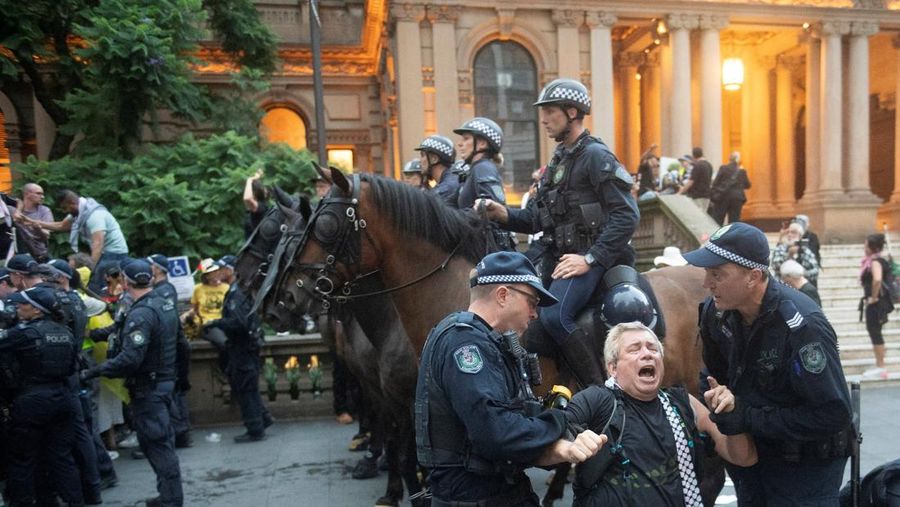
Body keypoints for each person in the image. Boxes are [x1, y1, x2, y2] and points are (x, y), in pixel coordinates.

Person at [478, 78, 640, 387]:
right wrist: (503, 214)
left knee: (553, 317)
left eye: (550, 111)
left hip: (593, 257)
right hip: (556, 255)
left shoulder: (596, 156)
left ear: (572, 112)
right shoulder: (559, 160)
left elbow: (626, 215)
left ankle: (602, 389)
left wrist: (590, 259)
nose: (543, 119)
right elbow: (537, 219)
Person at [415, 251, 607, 506]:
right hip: (476, 497)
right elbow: (496, 431)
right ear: (503, 295)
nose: (535, 314)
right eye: (532, 302)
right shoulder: (466, 345)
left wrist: (559, 444)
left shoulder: (483, 341)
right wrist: (559, 422)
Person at [684, 222, 852, 505]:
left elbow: (833, 414)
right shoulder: (716, 312)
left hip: (805, 472)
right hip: (752, 461)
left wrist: (747, 416)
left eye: (717, 274)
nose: (706, 283)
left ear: (753, 276)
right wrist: (717, 398)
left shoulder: (802, 326)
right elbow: (713, 374)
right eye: (706, 272)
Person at [565, 322, 757, 505]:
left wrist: (730, 415)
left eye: (653, 348)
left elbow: (744, 457)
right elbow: (555, 433)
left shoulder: (684, 404)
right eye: (635, 349)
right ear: (613, 368)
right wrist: (569, 447)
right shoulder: (595, 400)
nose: (647, 354)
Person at [82, 260, 184, 507]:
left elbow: (130, 358)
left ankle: (171, 500)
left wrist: (91, 372)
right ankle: (168, 496)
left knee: (158, 446)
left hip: (148, 389)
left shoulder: (141, 313)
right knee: (160, 443)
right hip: (163, 383)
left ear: (126, 282)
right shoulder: (163, 304)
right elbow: (182, 345)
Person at [0, 286, 85, 506]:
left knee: (22, 460)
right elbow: (74, 366)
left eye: (24, 304)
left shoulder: (25, 333)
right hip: (62, 398)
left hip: (32, 401)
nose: (18, 306)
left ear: (37, 311)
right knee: (62, 458)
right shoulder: (65, 332)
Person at [204, 255, 274, 442]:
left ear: (230, 270)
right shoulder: (240, 290)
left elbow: (239, 323)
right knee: (248, 387)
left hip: (242, 348)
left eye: (221, 268)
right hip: (246, 347)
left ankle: (255, 429)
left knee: (245, 390)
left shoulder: (236, 293)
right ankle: (263, 420)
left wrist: (216, 323)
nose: (217, 272)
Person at [26, 190, 129, 295]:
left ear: (72, 203)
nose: (65, 211)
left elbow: (98, 244)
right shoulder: (80, 212)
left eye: (65, 208)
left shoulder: (94, 215)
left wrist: (90, 268)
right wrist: (32, 222)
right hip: (104, 251)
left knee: (98, 287)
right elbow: (61, 226)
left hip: (113, 254)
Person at [148, 254, 193, 448]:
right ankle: (181, 432)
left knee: (174, 393)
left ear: (157, 269)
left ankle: (181, 432)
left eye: (150, 266)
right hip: (174, 346)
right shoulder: (165, 289)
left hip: (172, 348)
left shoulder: (163, 290)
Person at [454, 118, 515, 250]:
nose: (460, 144)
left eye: (466, 138)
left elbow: (490, 211)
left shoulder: (483, 168)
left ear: (481, 143)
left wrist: (452, 219)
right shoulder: (477, 168)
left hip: (487, 252)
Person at [859, 233, 894, 380]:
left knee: (875, 333)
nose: (864, 247)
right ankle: (880, 365)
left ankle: (881, 366)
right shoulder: (879, 260)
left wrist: (873, 298)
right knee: (876, 333)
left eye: (866, 244)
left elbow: (877, 279)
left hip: (876, 304)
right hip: (879, 303)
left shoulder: (875, 262)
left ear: (871, 247)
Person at [10, 183, 54, 262]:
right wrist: (19, 210)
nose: (42, 197)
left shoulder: (44, 211)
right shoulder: (12, 210)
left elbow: (47, 235)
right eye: (38, 193)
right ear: (27, 194)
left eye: (42, 194)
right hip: (19, 256)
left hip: (39, 255)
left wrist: (38, 228)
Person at [771, 221, 820, 286]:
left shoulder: (805, 250)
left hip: (801, 288)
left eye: (793, 232)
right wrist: (789, 255)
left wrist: (800, 274)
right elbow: (776, 266)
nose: (790, 235)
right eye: (788, 232)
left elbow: (815, 271)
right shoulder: (781, 248)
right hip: (783, 287)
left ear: (800, 236)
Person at [415, 135, 459, 207]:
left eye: (423, 155)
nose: (420, 161)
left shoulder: (445, 189)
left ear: (434, 159)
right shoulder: (449, 181)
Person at [708, 152, 751, 225]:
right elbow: (748, 185)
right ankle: (733, 235)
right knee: (734, 220)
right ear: (738, 160)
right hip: (737, 198)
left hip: (723, 196)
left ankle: (718, 235)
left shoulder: (723, 168)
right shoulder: (742, 171)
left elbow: (716, 182)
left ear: (729, 159)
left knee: (718, 219)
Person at [678, 147, 712, 212]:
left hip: (697, 196)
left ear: (693, 156)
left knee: (696, 217)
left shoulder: (697, 165)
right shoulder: (709, 165)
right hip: (707, 196)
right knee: (703, 215)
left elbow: (691, 181)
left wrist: (680, 192)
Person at [243, 168, 269, 240]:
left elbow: (247, 198)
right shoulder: (255, 208)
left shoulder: (261, 207)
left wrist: (249, 180)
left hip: (258, 250)